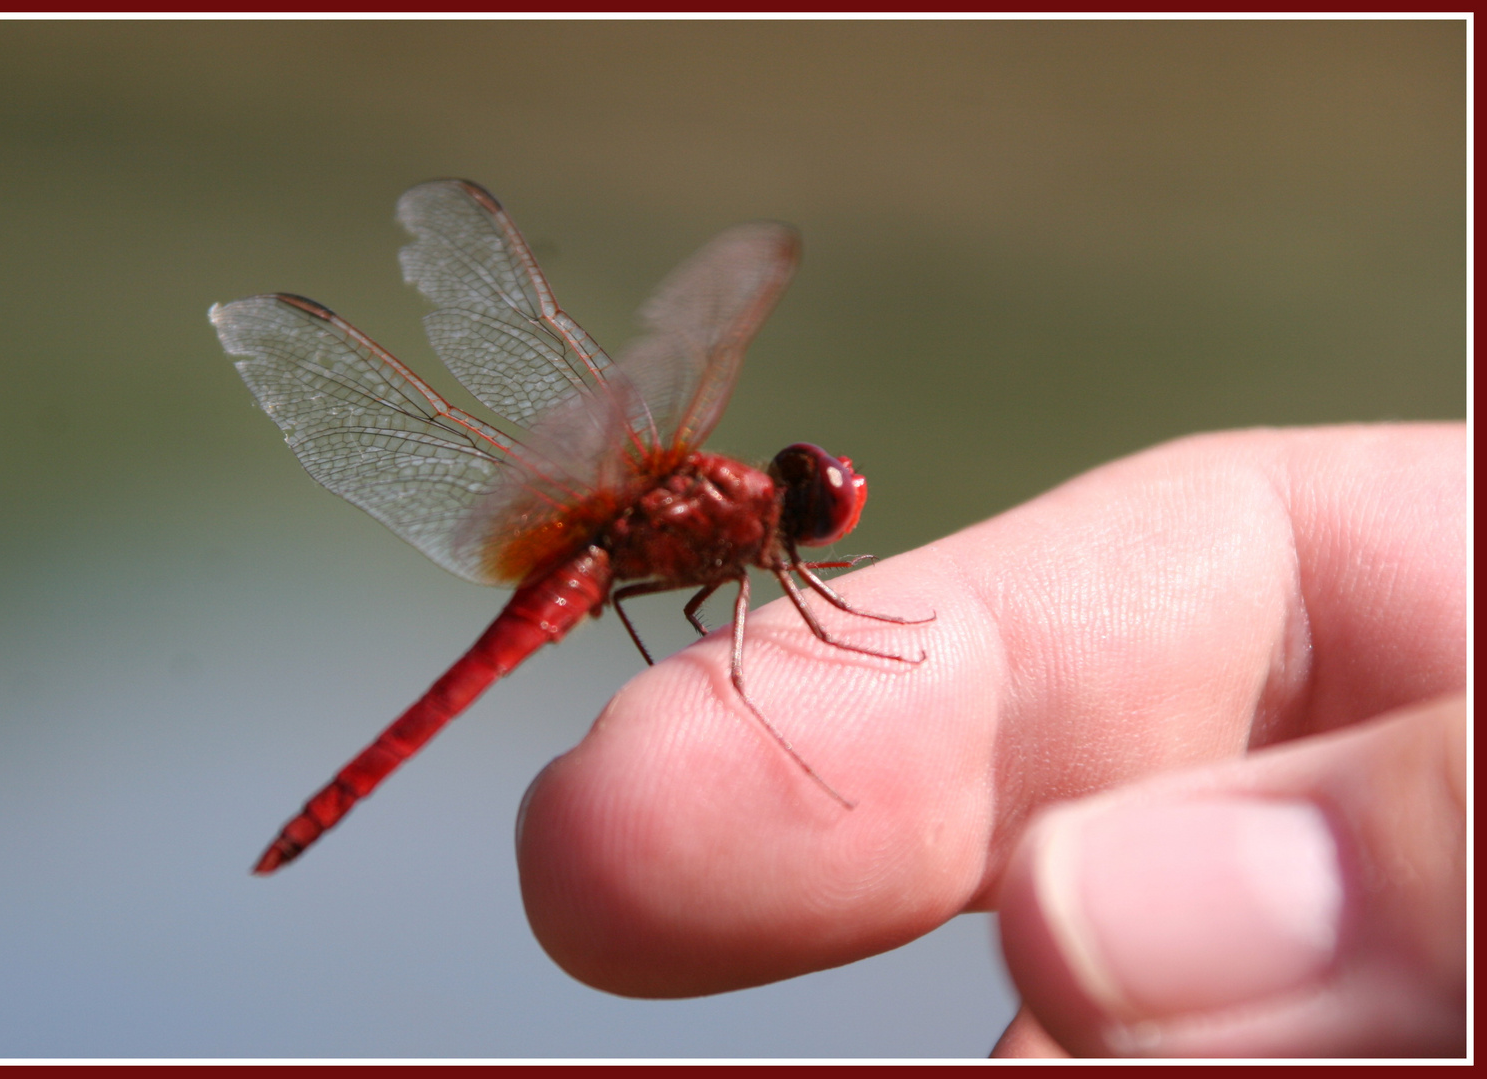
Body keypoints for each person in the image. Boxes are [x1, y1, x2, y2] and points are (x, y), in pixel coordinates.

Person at [514, 423, 1465, 1058]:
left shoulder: (746, 531)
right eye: (816, 494)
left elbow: (740, 597)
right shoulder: (745, 530)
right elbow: (771, 605)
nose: (818, 499)